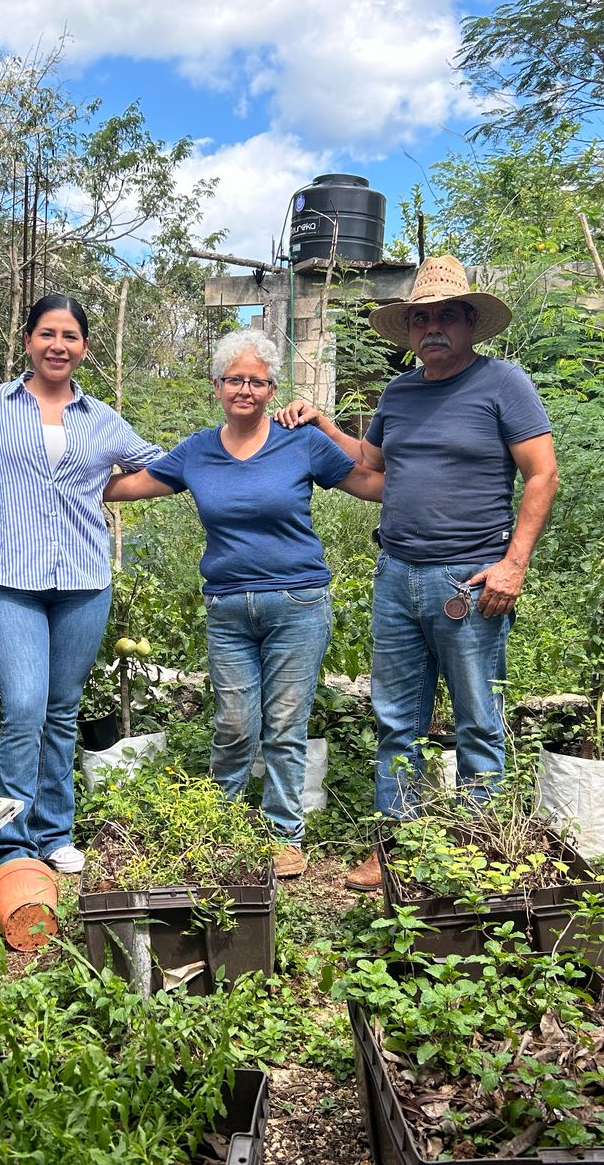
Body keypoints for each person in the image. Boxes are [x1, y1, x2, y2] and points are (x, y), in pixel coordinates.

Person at [276, 255, 559, 891]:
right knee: (395, 719)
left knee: (477, 719)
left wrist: (514, 564)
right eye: (420, 319)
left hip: (470, 579)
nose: (432, 328)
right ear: (408, 331)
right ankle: (395, 846)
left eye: (444, 317)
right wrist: (322, 424)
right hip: (396, 574)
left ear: (468, 322)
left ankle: (478, 851)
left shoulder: (502, 383)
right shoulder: (399, 394)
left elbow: (542, 472)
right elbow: (374, 469)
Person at [103, 329, 381, 879]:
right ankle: (221, 824)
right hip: (228, 608)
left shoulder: (300, 443)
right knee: (233, 723)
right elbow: (130, 485)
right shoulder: (198, 451)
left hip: (298, 602)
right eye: (235, 380)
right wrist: (55, 476)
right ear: (217, 386)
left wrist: (431, 478)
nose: (245, 390)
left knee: (284, 724)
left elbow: (371, 484)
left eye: (256, 381)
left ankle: (284, 835)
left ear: (272, 389)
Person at [0, 294, 163, 873]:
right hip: (12, 581)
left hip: (83, 581)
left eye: (70, 336)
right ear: (28, 341)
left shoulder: (100, 418)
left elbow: (161, 465)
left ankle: (54, 831)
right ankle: (12, 842)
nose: (58, 346)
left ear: (84, 348)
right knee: (23, 707)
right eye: (47, 333)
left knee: (63, 709)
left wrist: (106, 489)